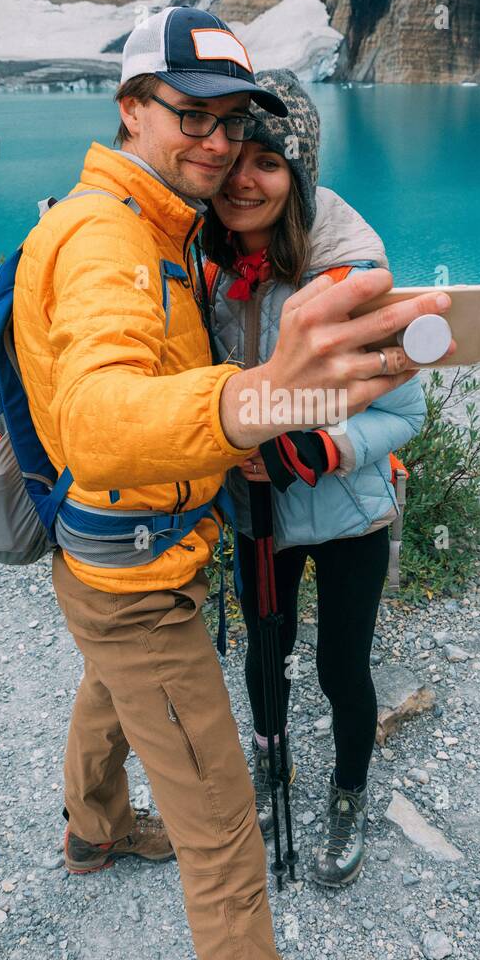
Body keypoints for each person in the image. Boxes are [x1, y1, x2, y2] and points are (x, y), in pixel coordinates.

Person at [11, 6, 451, 960]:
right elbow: (102, 413)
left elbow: (398, 403)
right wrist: (240, 414)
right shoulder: (128, 243)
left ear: (294, 170)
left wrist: (303, 442)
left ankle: (96, 829)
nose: (222, 153)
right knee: (224, 843)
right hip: (148, 557)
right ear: (131, 111)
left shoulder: (194, 235)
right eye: (197, 121)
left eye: (243, 134)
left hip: (164, 543)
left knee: (146, 683)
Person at [201, 70, 426, 887]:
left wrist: (318, 450)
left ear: (299, 174)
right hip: (255, 512)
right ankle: (271, 771)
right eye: (233, 157)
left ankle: (348, 790)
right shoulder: (204, 272)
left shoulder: (345, 276)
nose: (245, 179)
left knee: (340, 666)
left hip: (348, 516)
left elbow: (404, 414)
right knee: (265, 654)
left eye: (269, 160)